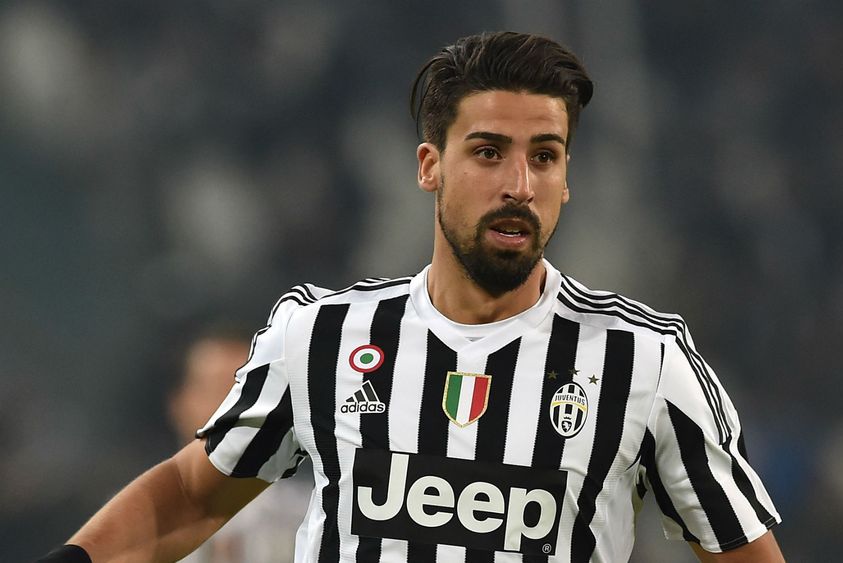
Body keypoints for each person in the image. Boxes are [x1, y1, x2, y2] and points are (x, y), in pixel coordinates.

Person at [39, 31, 785, 562]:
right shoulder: (321, 336)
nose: (519, 185)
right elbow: (191, 495)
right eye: (488, 152)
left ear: (566, 178)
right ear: (430, 166)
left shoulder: (644, 361)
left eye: (545, 157)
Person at [167, 325, 310, 563]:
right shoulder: (134, 525)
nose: (233, 410)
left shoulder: (312, 519)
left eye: (249, 394)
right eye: (217, 390)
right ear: (181, 402)